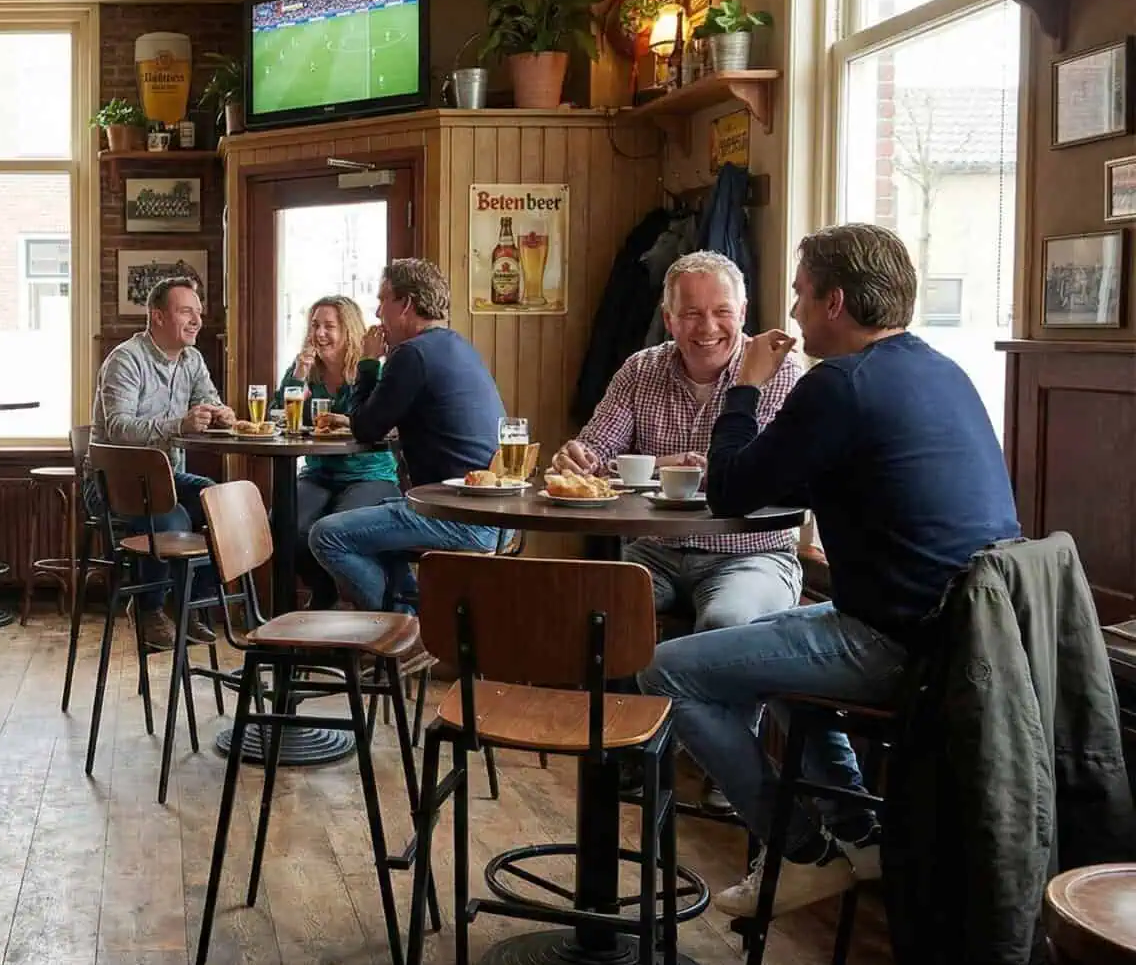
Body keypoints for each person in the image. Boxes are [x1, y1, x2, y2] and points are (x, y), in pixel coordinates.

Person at [639, 223, 1021, 918]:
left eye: (800, 295)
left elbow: (728, 489)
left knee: (665, 669)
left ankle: (797, 854)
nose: (792, 313)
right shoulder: (942, 371)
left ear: (835, 303)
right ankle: (858, 835)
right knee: (781, 638)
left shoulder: (839, 386)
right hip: (973, 641)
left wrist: (746, 388)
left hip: (898, 643)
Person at [553, 250, 806, 631]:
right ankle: (625, 695)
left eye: (722, 311)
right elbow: (597, 452)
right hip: (654, 552)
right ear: (668, 320)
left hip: (751, 554)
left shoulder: (779, 371)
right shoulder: (640, 369)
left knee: (726, 622)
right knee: (587, 614)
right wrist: (576, 458)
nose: (707, 327)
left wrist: (652, 467)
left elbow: (752, 475)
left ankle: (675, 692)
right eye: (691, 314)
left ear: (742, 312)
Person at [308, 258, 505, 610]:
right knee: (377, 517)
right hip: (496, 516)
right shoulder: (456, 345)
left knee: (327, 535)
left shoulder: (412, 354)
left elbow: (365, 426)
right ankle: (418, 616)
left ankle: (405, 628)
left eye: (384, 300)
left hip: (457, 516)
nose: (378, 310)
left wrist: (369, 362)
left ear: (406, 305)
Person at [88, 276, 235, 649]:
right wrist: (179, 424)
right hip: (113, 480)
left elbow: (210, 400)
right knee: (174, 518)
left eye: (198, 312)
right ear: (157, 316)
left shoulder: (192, 359)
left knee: (220, 502)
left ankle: (193, 606)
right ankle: (149, 608)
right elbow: (119, 428)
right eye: (186, 311)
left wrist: (221, 415)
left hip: (165, 475)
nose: (197, 320)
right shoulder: (126, 360)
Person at [281, 296, 402, 608]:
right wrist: (298, 377)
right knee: (285, 524)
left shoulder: (368, 370)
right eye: (315, 325)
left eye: (329, 327)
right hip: (320, 473)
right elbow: (276, 418)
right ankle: (325, 595)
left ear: (348, 330)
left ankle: (378, 608)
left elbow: (386, 422)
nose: (319, 333)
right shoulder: (305, 370)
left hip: (369, 473)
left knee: (338, 527)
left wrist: (349, 422)